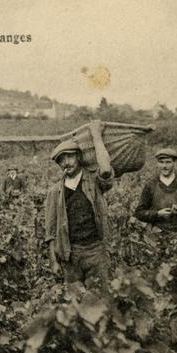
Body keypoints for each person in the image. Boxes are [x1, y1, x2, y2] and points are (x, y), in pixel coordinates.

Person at [44, 121, 114, 287]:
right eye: (61, 160)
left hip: (95, 250)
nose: (66, 163)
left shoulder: (93, 181)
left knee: (101, 299)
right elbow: (50, 231)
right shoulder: (55, 192)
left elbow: (105, 169)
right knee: (74, 302)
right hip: (70, 254)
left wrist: (96, 135)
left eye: (70, 156)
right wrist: (54, 261)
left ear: (79, 157)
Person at [134, 148, 177, 253]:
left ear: (174, 163)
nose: (164, 166)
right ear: (157, 164)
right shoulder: (150, 185)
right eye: (161, 162)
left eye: (168, 162)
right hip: (157, 234)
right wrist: (157, 214)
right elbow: (139, 213)